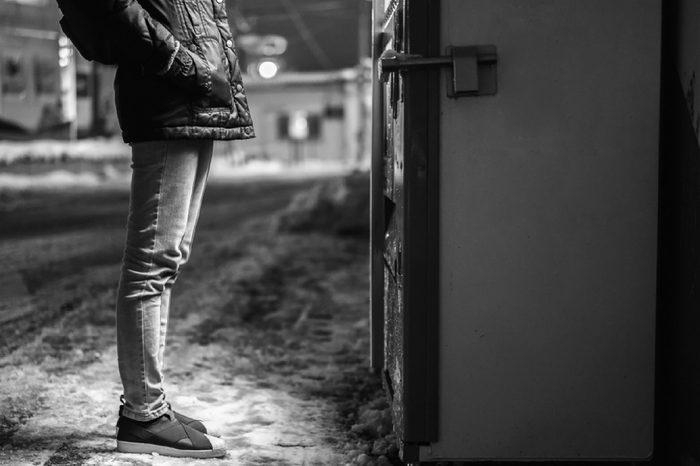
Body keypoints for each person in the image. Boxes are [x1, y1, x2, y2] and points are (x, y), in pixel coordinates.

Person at [62, 0, 254, 458]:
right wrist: (185, 66)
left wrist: (202, 77)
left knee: (166, 260)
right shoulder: (176, 73)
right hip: (171, 95)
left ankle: (151, 404)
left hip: (192, 99)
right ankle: (143, 414)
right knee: (150, 265)